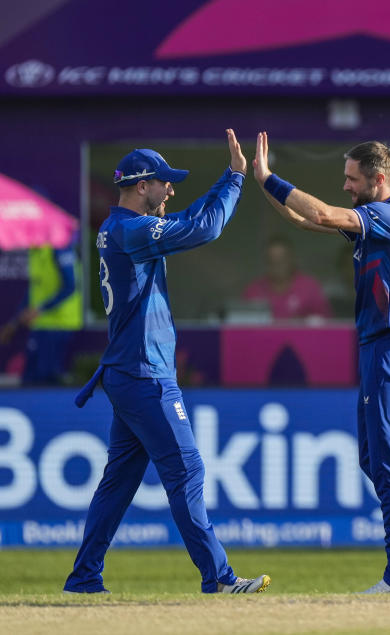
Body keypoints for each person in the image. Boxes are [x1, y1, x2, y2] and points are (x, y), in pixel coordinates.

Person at [253, 133, 390, 594]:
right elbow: (302, 219)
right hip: (384, 348)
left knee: (389, 462)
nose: (345, 187)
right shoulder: (378, 220)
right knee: (373, 459)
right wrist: (256, 183)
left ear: (379, 179)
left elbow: (320, 211)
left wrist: (268, 175)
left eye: (352, 179)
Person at [65, 131, 270, 594]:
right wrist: (237, 180)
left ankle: (83, 578)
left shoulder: (121, 228)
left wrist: (229, 176)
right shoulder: (129, 230)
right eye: (165, 182)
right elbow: (205, 228)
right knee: (187, 470)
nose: (171, 189)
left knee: (118, 483)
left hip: (128, 371)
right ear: (142, 186)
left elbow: (191, 217)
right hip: (144, 373)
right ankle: (217, 578)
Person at [0, 236, 82, 385]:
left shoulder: (60, 248)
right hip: (41, 324)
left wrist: (39, 309)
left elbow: (70, 287)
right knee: (30, 380)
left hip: (59, 323)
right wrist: (14, 323)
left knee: (46, 380)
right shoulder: (35, 251)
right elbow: (34, 291)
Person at [242, 234, 333, 321]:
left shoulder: (309, 286)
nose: (277, 265)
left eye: (282, 260)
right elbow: (244, 325)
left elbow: (326, 322)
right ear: (265, 262)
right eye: (272, 260)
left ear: (292, 258)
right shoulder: (254, 290)